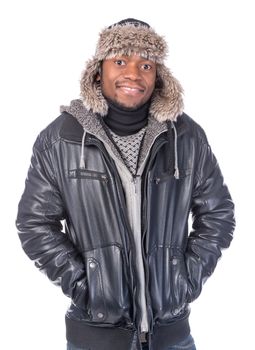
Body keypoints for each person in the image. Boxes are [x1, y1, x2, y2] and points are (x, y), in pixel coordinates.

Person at [16, 18, 235, 350]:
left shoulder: (185, 137)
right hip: (95, 337)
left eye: (145, 64)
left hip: (172, 337)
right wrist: (86, 286)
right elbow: (34, 223)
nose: (133, 73)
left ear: (157, 75)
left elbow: (218, 214)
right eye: (120, 60)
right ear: (98, 70)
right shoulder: (61, 140)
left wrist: (183, 283)